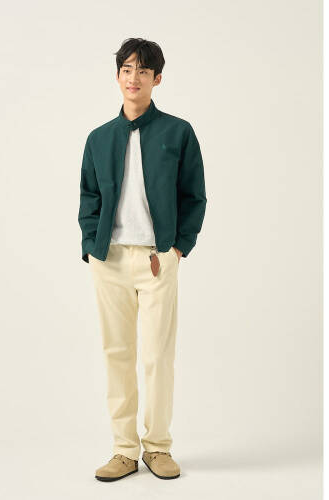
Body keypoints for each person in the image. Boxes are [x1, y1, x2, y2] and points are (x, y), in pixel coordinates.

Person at [78, 37, 207, 481]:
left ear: (157, 79)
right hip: (109, 259)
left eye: (143, 71)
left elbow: (194, 195)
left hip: (157, 259)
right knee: (117, 354)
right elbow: (89, 197)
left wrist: (178, 248)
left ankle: (158, 447)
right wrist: (91, 247)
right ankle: (123, 450)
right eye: (127, 69)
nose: (134, 78)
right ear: (118, 76)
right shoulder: (99, 138)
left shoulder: (178, 132)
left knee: (157, 356)